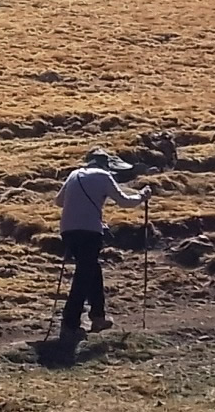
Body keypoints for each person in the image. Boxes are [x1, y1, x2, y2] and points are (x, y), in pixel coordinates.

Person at [55, 147, 151, 345]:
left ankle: (98, 315)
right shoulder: (104, 176)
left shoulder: (74, 174)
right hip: (90, 231)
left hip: (68, 230)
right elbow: (124, 202)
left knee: (91, 269)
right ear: (105, 164)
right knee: (84, 275)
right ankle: (70, 323)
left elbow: (59, 202)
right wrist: (142, 196)